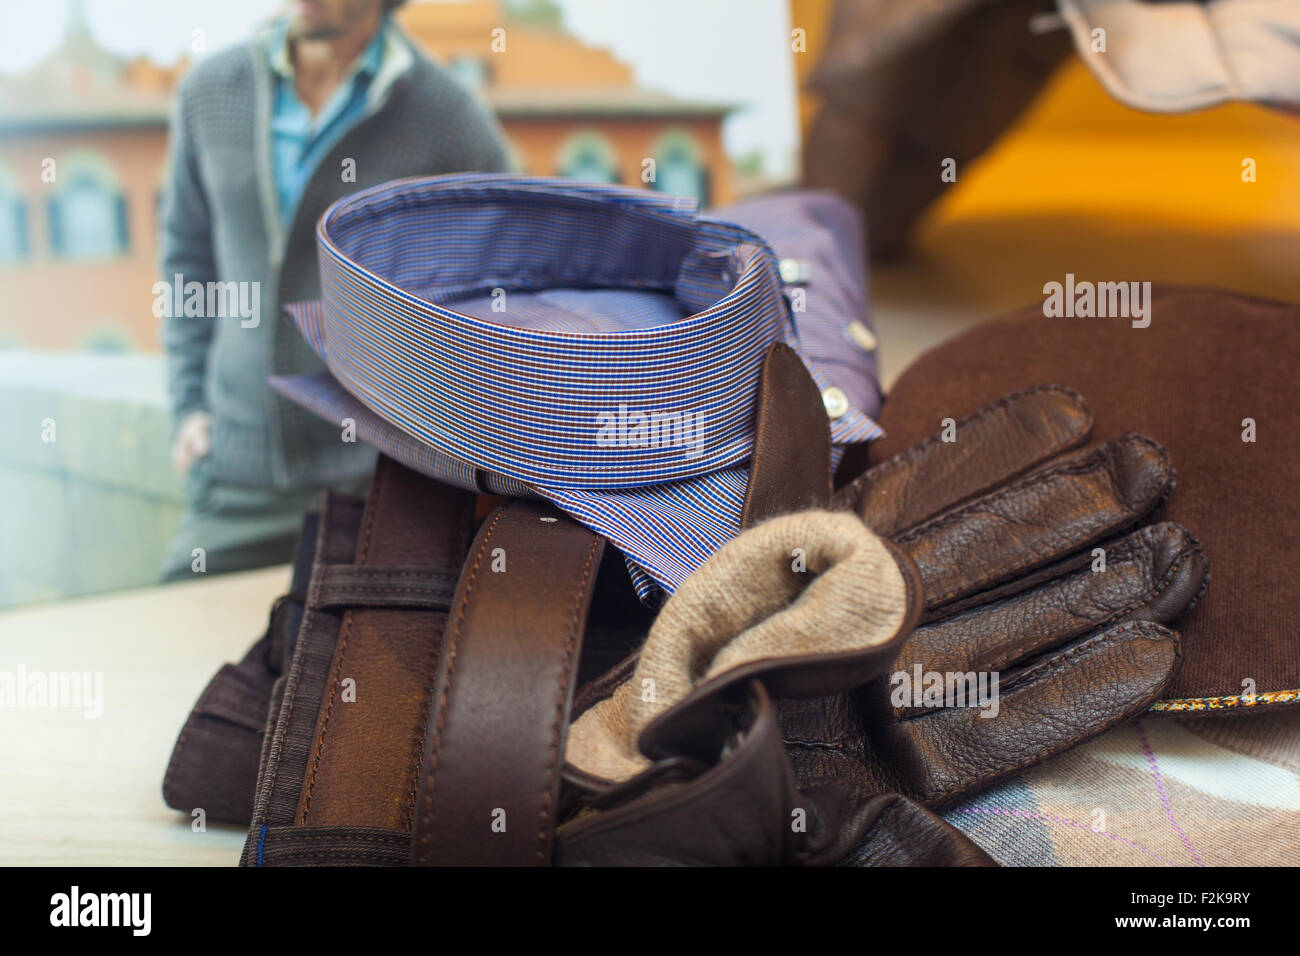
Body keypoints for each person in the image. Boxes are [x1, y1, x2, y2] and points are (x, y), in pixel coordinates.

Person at [159, 0, 509, 580]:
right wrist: (189, 405)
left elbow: (499, 291)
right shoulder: (209, 92)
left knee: (352, 668)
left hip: (377, 489)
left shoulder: (447, 117)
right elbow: (186, 262)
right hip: (232, 476)